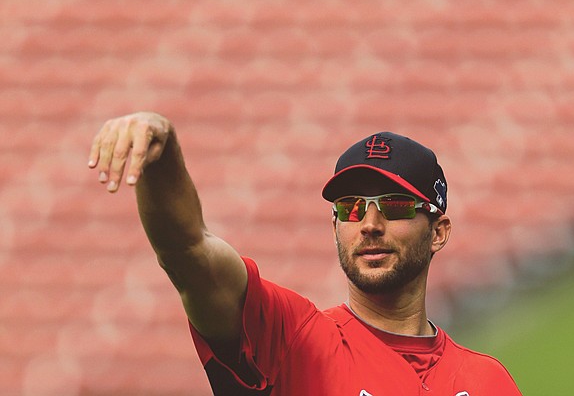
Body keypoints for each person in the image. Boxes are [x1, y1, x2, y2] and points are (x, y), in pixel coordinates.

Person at [88, 112, 522, 396]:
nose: (369, 224)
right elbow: (188, 252)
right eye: (350, 208)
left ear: (438, 232)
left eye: (393, 205)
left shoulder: (489, 382)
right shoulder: (293, 339)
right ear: (335, 225)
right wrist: (162, 153)